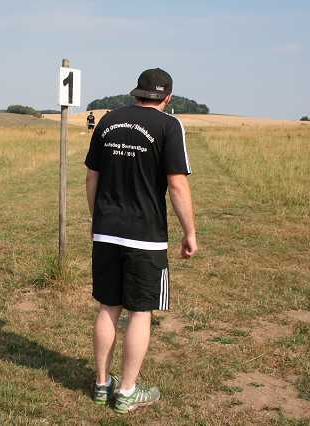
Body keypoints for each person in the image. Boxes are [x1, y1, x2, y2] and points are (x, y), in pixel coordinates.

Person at [85, 68, 197, 413]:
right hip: (145, 237)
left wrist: (98, 219)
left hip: (106, 229)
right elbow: (177, 184)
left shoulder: (107, 121)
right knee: (140, 312)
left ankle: (102, 384)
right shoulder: (169, 125)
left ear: (137, 92)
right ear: (167, 97)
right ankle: (127, 391)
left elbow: (91, 177)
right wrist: (190, 232)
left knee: (108, 306)